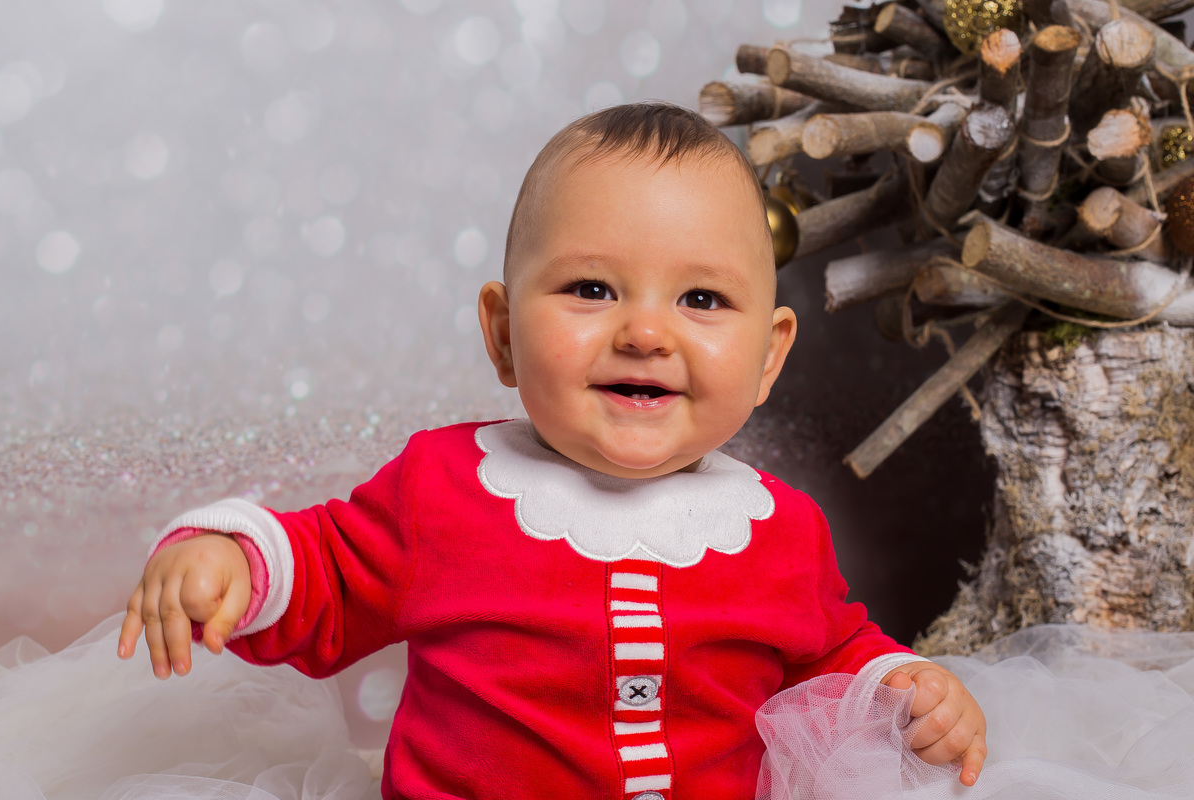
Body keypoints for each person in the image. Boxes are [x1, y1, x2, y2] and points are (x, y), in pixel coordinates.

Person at [116, 102, 986, 800]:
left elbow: (827, 651)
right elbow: (328, 578)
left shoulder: (778, 528)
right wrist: (233, 557)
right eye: (592, 289)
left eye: (703, 299)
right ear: (500, 334)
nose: (645, 331)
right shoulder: (446, 489)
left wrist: (900, 685)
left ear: (767, 357)